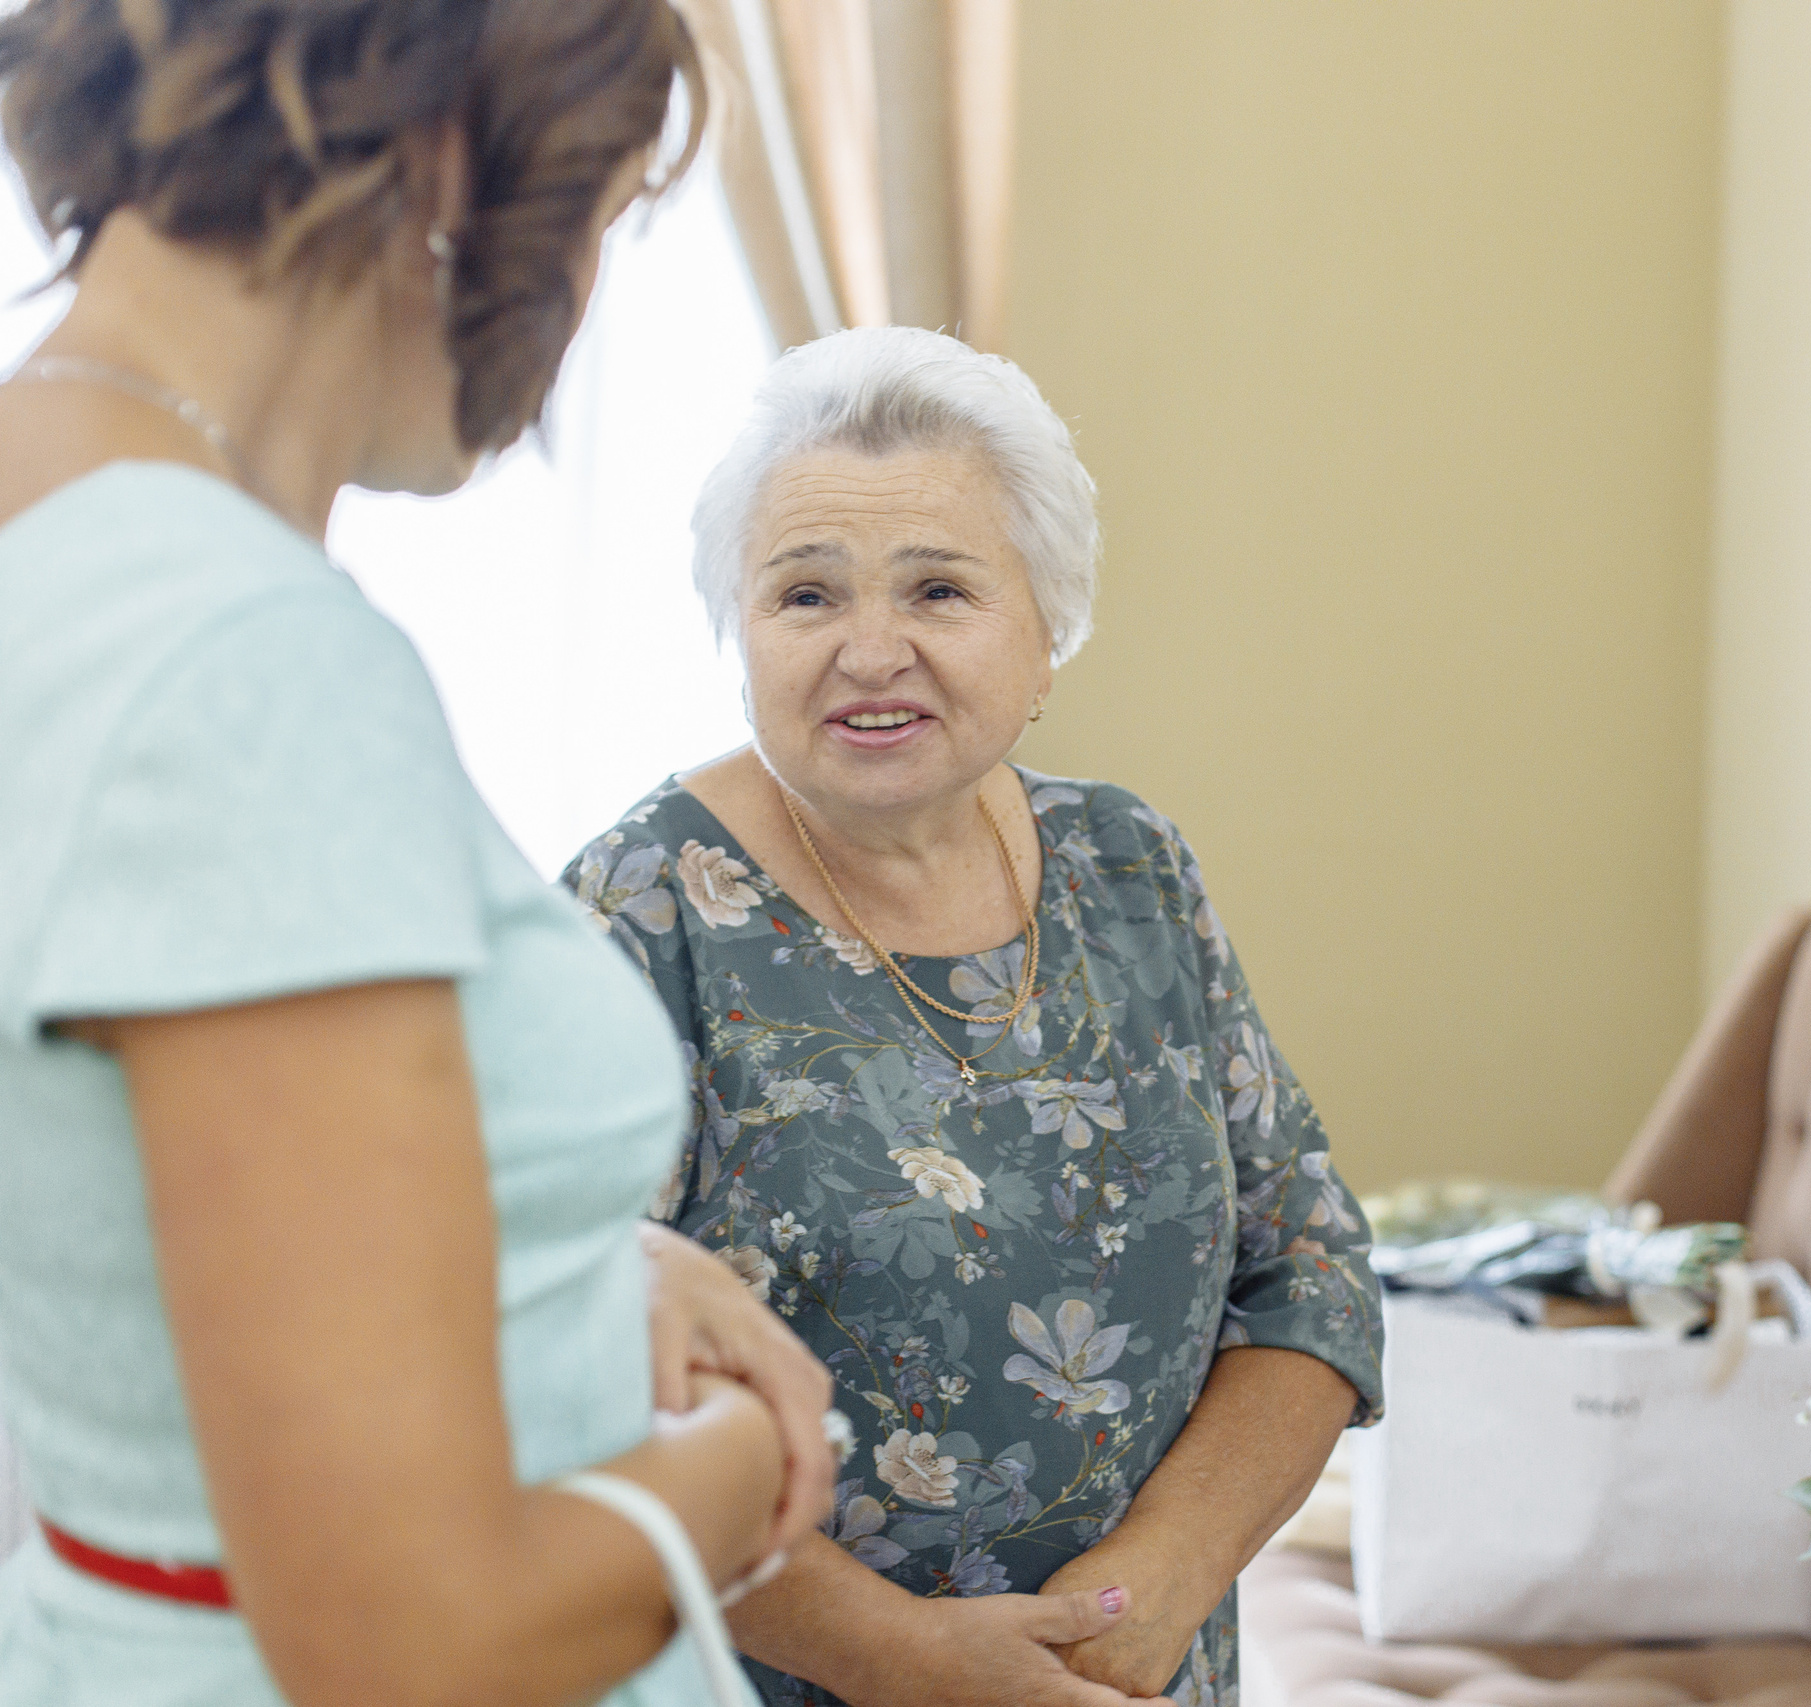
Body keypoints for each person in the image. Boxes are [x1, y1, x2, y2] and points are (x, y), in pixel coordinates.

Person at [0, 3, 985, 1702]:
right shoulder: (247, 668)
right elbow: (414, 1640)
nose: (583, 305)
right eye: (599, 214)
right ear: (453, 156)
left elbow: (140, 1195)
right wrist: (756, 1460)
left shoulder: (54, 529)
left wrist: (574, 1268)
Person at [566, 325, 1386, 1707]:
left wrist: (1145, 1597)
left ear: (1048, 631)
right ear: (740, 627)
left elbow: (1306, 1263)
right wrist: (911, 1664)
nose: (869, 651)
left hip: (1132, 1677)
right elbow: (560, 1380)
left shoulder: (1133, 869)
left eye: (939, 591)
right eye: (806, 595)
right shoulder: (637, 915)